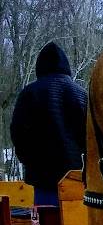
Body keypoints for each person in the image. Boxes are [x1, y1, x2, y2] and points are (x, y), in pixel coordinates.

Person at [9, 42, 87, 205]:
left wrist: (30, 162)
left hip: (42, 178)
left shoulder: (29, 94)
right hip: (77, 176)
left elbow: (18, 134)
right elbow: (91, 136)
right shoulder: (80, 94)